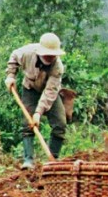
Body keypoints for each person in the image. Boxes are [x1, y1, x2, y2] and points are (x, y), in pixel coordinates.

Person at [5, 32, 67, 168]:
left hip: (50, 93)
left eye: (53, 55)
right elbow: (14, 57)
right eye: (47, 54)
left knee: (60, 124)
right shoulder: (27, 53)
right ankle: (28, 160)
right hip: (30, 88)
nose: (50, 57)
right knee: (28, 124)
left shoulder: (57, 67)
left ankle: (52, 161)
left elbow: (50, 92)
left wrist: (38, 113)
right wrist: (11, 76)